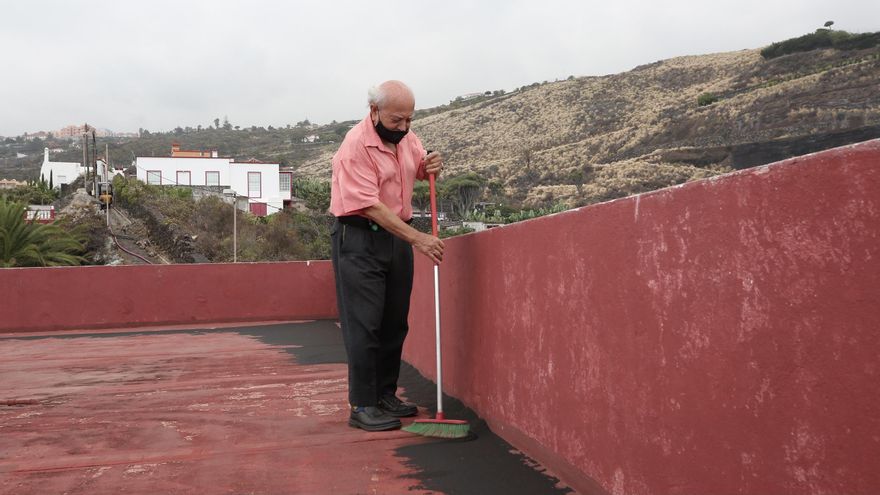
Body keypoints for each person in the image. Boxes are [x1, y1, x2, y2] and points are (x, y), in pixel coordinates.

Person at [329, 80, 445, 431]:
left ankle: (384, 395)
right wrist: (419, 240)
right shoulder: (355, 146)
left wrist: (429, 166)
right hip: (360, 238)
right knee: (365, 324)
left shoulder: (407, 139)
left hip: (396, 239)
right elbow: (368, 205)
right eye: (397, 120)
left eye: (409, 119)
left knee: (395, 321)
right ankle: (362, 405)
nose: (405, 127)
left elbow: (416, 169)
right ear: (374, 111)